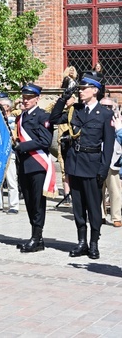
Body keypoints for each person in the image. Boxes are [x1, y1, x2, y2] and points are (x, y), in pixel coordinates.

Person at [50, 73, 114, 259]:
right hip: (75, 164)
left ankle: (93, 243)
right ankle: (81, 242)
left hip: (93, 165)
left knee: (94, 208)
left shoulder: (105, 114)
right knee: (78, 208)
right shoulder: (75, 110)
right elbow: (53, 119)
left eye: (84, 89)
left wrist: (103, 170)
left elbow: (108, 147)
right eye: (79, 89)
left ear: (95, 90)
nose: (80, 92)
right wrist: (63, 98)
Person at [13, 83, 55, 253]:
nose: (25, 100)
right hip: (24, 165)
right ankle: (36, 237)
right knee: (29, 202)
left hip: (37, 165)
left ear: (37, 98)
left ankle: (36, 237)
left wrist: (23, 146)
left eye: (29, 98)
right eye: (24, 97)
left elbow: (45, 141)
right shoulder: (20, 117)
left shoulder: (42, 116)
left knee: (37, 203)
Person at [100, 97, 122, 227]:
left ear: (114, 108)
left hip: (114, 159)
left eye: (109, 107)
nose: (106, 109)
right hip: (98, 160)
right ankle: (100, 215)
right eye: (103, 106)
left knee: (115, 191)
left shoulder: (118, 121)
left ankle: (116, 217)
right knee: (98, 191)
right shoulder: (96, 119)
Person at [0, 94, 20, 214]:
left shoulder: (14, 120)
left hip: (9, 153)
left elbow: (15, 137)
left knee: (11, 180)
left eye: (2, 106)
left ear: (7, 107)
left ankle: (14, 205)